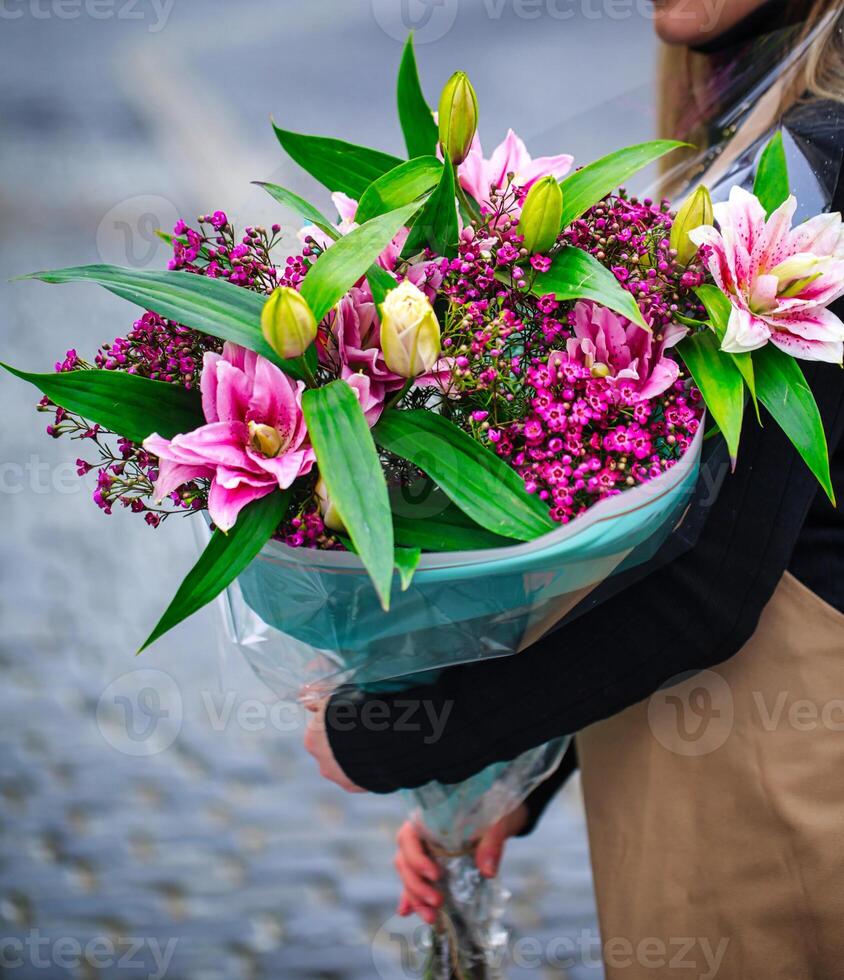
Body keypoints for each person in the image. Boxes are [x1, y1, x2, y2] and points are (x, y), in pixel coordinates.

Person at [304, 1, 844, 974]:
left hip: (774, 779)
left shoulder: (809, 163)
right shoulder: (758, 132)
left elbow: (713, 581)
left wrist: (406, 737)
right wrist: (508, 777)